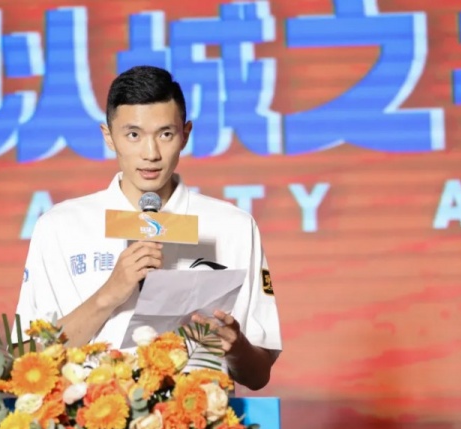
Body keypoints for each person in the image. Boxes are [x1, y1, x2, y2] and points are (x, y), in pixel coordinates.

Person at [16, 65, 281, 390]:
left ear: (185, 134)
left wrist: (235, 345)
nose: (151, 153)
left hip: (199, 416)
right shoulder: (61, 226)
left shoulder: (232, 226)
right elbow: (29, 361)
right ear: (108, 136)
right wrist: (108, 295)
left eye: (165, 134)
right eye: (133, 135)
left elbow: (258, 376)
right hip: (91, 416)